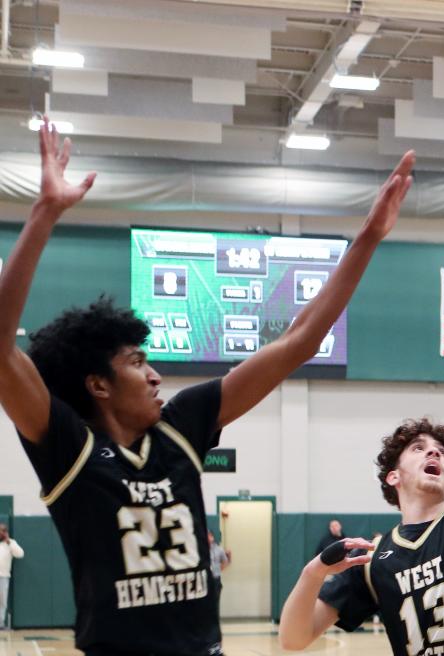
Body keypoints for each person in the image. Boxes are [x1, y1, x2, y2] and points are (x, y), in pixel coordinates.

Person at [0, 118, 415, 655]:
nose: (155, 375)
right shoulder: (70, 450)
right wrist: (45, 213)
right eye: (136, 363)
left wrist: (368, 237)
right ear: (98, 385)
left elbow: (300, 341)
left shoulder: (182, 425)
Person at [278, 257, 444, 655]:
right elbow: (293, 638)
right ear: (393, 476)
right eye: (418, 448)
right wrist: (313, 572)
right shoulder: (375, 562)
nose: (433, 452)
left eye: (441, 451)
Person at [0, 524, 24, 630]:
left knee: (2, 601)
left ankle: (0, 623)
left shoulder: (11, 543)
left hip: (3, 576)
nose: (1, 532)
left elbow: (20, 554)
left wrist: (9, 542)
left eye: (3, 531)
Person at [207, 531, 231, 606]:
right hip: (204, 580)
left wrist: (218, 569)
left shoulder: (219, 549)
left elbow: (226, 562)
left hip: (215, 579)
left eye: (210, 535)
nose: (208, 537)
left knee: (215, 603)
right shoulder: (200, 550)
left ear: (212, 537)